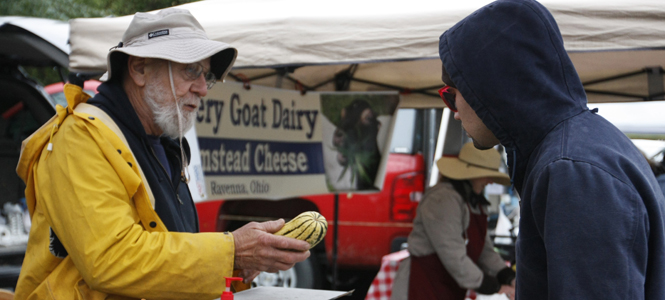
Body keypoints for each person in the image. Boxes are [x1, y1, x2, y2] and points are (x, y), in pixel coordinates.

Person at [15, 8, 310, 299]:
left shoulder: (163, 143)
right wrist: (231, 252)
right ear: (140, 69)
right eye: (190, 70)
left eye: (205, 75)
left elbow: (171, 254)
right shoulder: (80, 139)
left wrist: (238, 266)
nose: (202, 89)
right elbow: (110, 259)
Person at [437, 0, 665, 299]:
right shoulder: (579, 149)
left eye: (451, 95)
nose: (453, 111)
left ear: (488, 87)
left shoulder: (571, 168)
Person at [391, 142, 516, 300]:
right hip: (423, 284)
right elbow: (452, 253)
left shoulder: (474, 202)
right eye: (487, 175)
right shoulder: (443, 199)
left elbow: (484, 250)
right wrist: (492, 286)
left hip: (446, 287)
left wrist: (507, 276)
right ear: (472, 174)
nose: (490, 181)